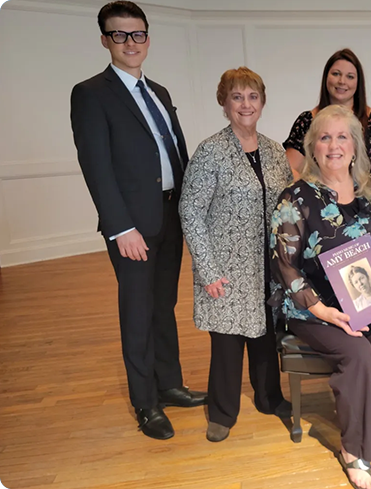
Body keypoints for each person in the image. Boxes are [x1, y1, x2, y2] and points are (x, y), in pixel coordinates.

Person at [70, 1, 206, 441]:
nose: (131, 43)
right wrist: (119, 227)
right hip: (132, 225)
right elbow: (96, 166)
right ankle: (145, 403)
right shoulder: (91, 93)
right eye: (120, 35)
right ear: (105, 39)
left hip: (170, 214)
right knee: (137, 311)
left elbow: (173, 155)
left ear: (147, 37)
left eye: (138, 34)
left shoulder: (159, 92)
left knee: (163, 305)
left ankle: (169, 384)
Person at [271, 105, 371, 489]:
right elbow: (284, 266)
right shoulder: (295, 198)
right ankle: (353, 448)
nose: (333, 145)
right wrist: (324, 311)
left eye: (342, 136)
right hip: (313, 308)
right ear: (313, 148)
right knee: (356, 353)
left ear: (355, 146)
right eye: (324, 137)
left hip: (366, 300)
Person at [179, 67, 293, 443]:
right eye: (237, 97)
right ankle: (223, 412)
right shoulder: (210, 151)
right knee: (227, 342)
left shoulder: (276, 151)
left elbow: (287, 205)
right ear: (224, 103)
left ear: (262, 101)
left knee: (265, 336)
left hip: (269, 265)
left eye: (252, 96)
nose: (246, 104)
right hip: (227, 266)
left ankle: (269, 398)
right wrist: (208, 270)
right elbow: (190, 211)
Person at [283, 48, 371, 193]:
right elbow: (289, 170)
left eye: (350, 76)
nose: (342, 81)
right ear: (326, 77)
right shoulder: (307, 121)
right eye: (336, 74)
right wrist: (315, 199)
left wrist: (368, 196)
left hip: (365, 208)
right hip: (322, 211)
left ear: (358, 82)